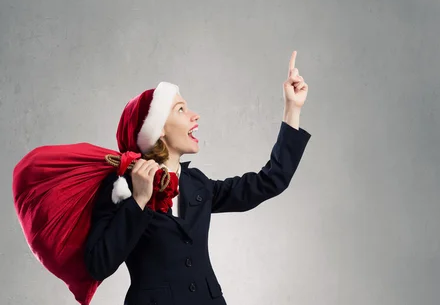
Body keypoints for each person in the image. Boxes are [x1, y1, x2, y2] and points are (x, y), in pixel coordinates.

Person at [84, 51, 311, 305]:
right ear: (157, 131)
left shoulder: (197, 184)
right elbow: (98, 265)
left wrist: (292, 109)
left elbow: (269, 181)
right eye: (181, 110)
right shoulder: (120, 187)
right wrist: (138, 201)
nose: (195, 116)